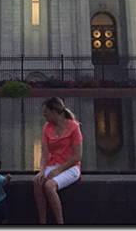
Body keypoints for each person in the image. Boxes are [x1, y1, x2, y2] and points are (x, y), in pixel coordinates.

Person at [33, 96, 82, 225]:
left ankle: (60, 223)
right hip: (52, 164)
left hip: (70, 167)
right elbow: (44, 153)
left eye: (46, 112)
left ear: (54, 112)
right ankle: (42, 221)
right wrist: (42, 170)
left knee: (50, 186)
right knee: (38, 182)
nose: (44, 115)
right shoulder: (47, 127)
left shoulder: (74, 127)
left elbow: (77, 156)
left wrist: (58, 170)